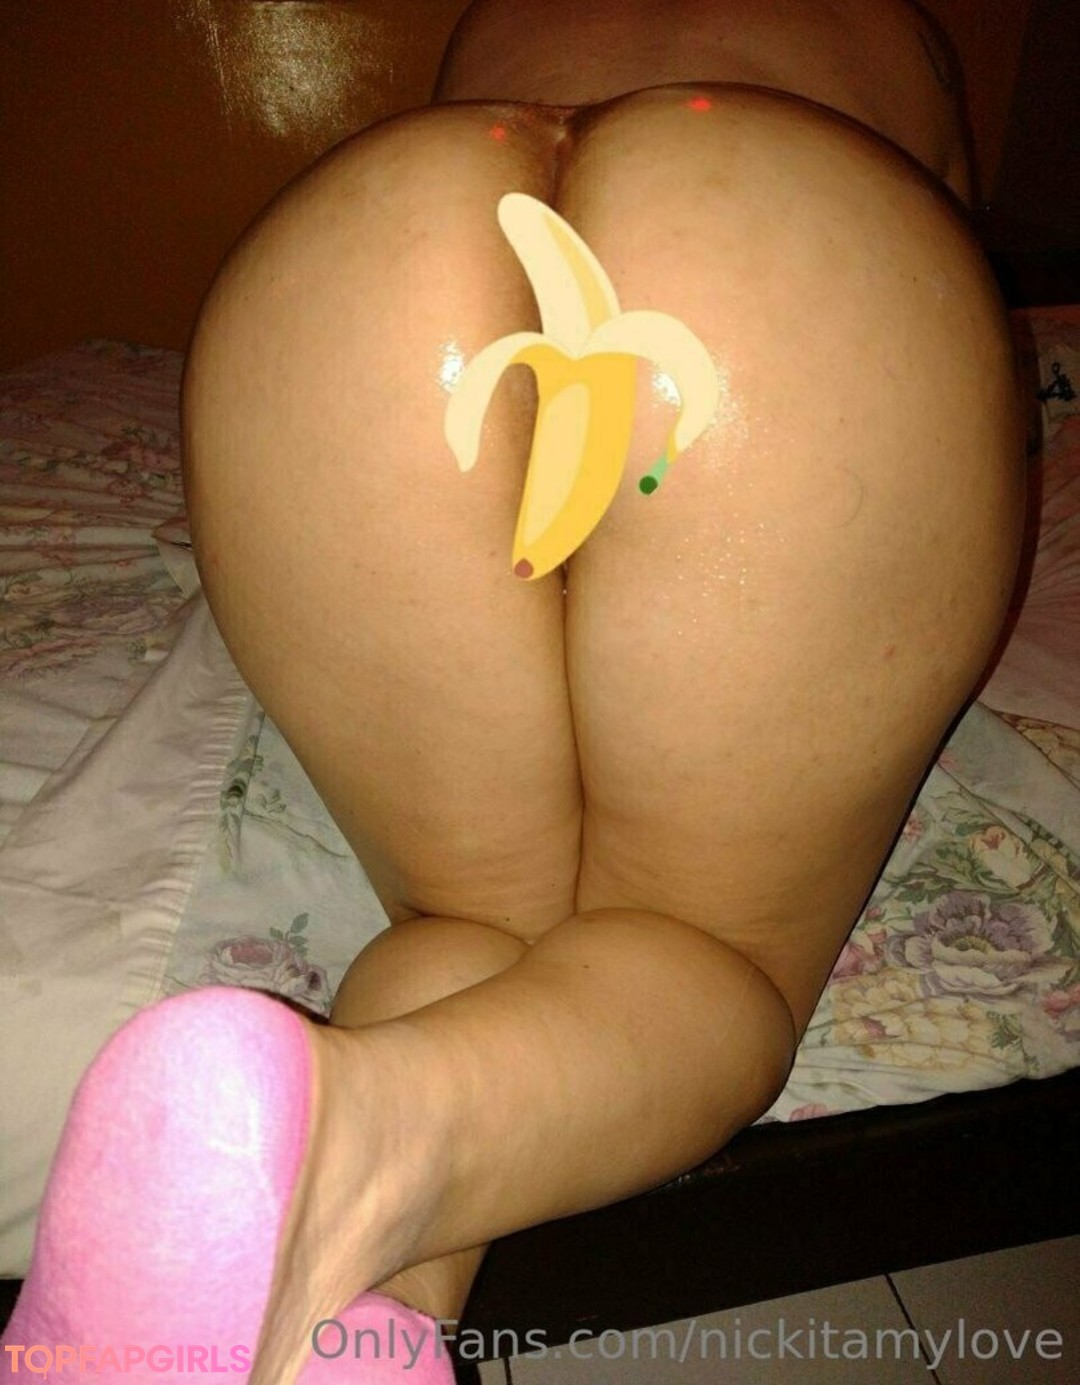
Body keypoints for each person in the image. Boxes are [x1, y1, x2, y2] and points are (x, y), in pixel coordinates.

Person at [3, 1, 1024, 1381]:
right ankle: (351, 1144)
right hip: (773, 250)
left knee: (468, 920)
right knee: (694, 947)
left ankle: (364, 1296)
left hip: (378, 249)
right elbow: (960, 273)